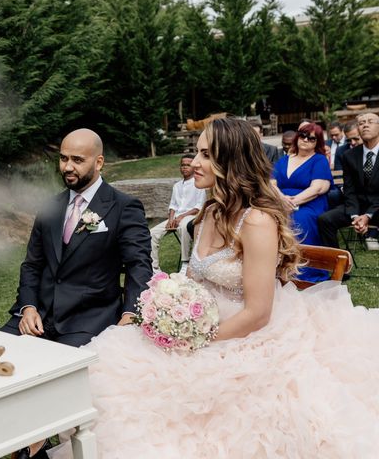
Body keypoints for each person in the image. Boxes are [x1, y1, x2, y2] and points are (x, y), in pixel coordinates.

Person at [48, 117, 379, 459]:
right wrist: (167, 308)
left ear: (230, 162)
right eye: (197, 152)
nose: (195, 162)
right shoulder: (208, 214)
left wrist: (196, 341)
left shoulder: (256, 221)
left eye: (206, 154)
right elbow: (194, 281)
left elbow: (258, 313)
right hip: (200, 325)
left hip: (248, 337)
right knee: (111, 370)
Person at [3, 128, 152, 459]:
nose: (67, 167)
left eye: (77, 160)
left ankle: (30, 447)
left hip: (88, 319)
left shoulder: (123, 208)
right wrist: (28, 307)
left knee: (49, 378)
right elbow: (31, 266)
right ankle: (22, 443)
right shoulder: (50, 206)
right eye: (63, 158)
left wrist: (130, 315)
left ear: (99, 162)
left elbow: (141, 268)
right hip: (37, 316)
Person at [272, 124, 332, 282]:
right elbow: (271, 183)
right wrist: (282, 199)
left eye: (311, 138)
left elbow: (318, 187)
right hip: (280, 201)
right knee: (266, 218)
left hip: (309, 203)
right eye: (303, 135)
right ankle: (275, 267)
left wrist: (293, 202)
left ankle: (304, 271)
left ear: (317, 142)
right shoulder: (284, 160)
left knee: (300, 219)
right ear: (297, 137)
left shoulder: (319, 160)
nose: (306, 140)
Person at [318, 113, 379, 249]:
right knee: (325, 220)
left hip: (377, 207)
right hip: (357, 206)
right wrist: (355, 216)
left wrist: (368, 216)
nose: (365, 125)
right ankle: (342, 266)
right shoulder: (349, 156)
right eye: (361, 123)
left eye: (370, 122)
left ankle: (373, 238)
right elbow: (349, 190)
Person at [150, 154, 205, 274]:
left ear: (194, 167)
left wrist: (181, 217)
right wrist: (171, 219)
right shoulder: (177, 186)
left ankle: (185, 262)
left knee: (184, 227)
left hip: (191, 216)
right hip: (175, 218)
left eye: (188, 165)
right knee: (152, 233)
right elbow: (173, 206)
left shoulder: (198, 184)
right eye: (182, 165)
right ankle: (154, 267)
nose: (185, 167)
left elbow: (198, 207)